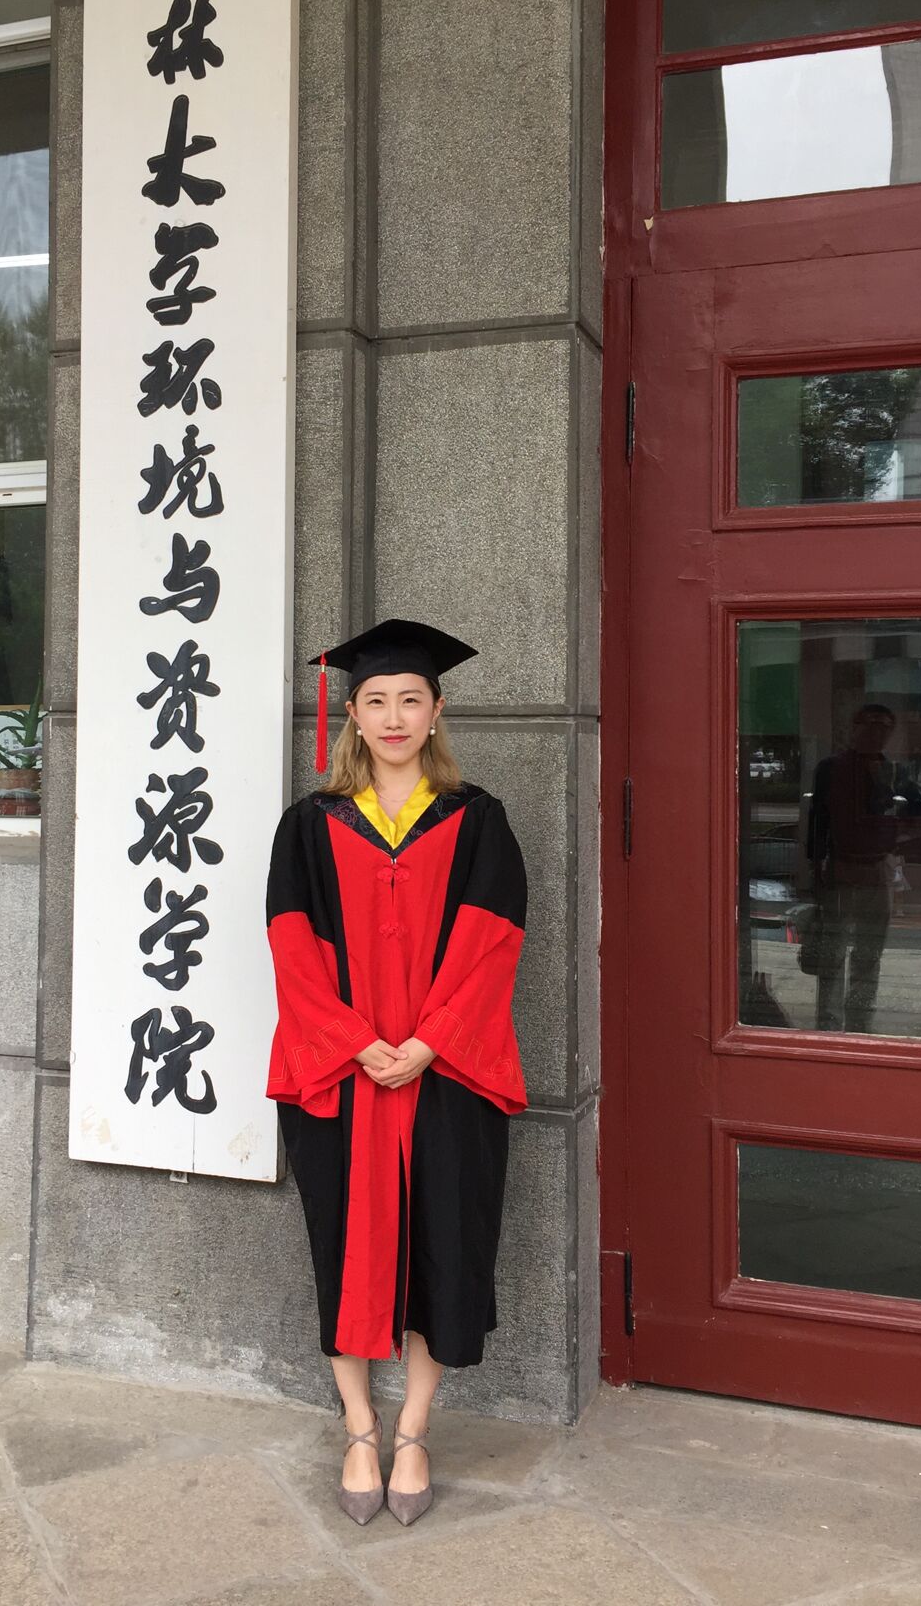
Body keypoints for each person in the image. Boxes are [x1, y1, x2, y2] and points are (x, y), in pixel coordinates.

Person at [264, 617, 528, 1527]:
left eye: (410, 699)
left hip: (445, 1074)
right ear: (352, 716)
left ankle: (413, 1430)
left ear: (437, 710)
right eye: (374, 700)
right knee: (342, 1246)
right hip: (341, 1074)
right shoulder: (308, 826)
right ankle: (357, 1426)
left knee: (443, 1247)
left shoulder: (478, 820)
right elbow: (291, 946)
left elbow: (494, 944)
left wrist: (430, 1041)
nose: (392, 717)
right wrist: (351, 1041)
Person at [806, 702, 921, 1035]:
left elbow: (915, 805)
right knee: (833, 951)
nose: (876, 732)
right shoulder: (831, 768)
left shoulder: (892, 771)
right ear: (855, 727)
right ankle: (829, 1024)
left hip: (877, 866)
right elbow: (818, 819)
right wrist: (816, 866)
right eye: (870, 724)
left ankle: (859, 1021)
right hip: (841, 865)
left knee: (870, 951)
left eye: (884, 727)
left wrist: (896, 835)